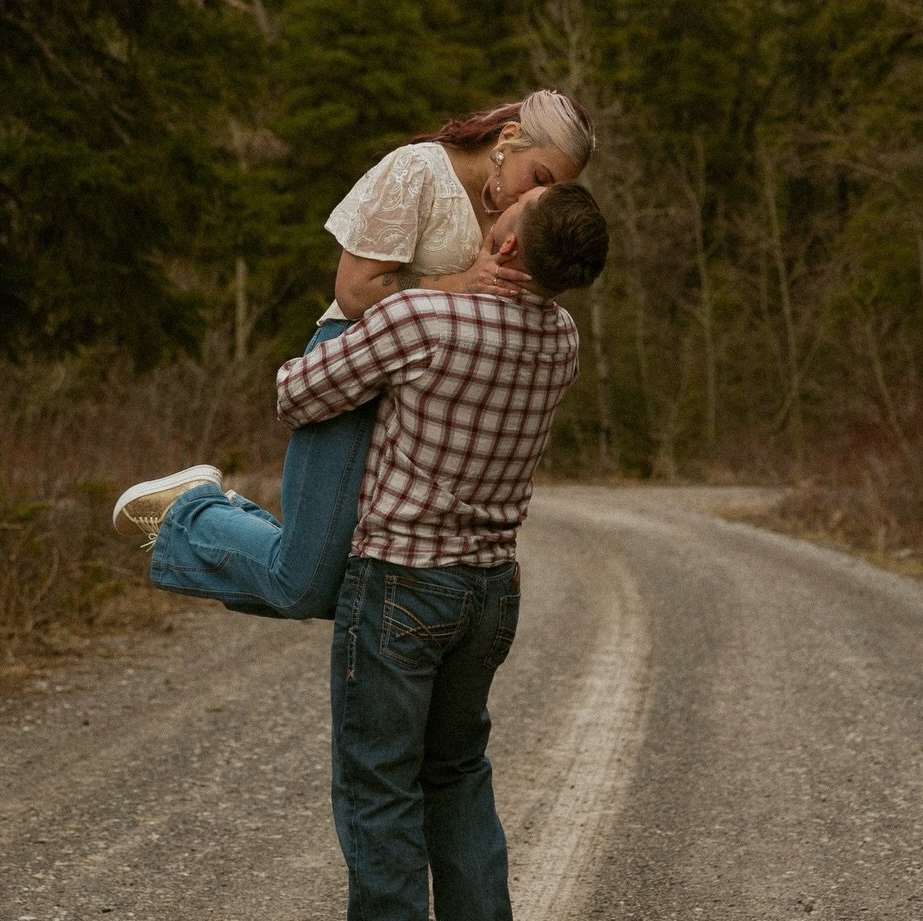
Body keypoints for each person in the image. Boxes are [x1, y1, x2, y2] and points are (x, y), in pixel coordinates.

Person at [111, 89, 594, 621]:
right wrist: (461, 282)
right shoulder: (418, 172)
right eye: (541, 179)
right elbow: (356, 291)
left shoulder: (514, 215)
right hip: (349, 370)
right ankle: (193, 511)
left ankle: (225, 516)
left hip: (418, 403)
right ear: (508, 140)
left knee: (372, 586)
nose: (538, 199)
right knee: (304, 588)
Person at [276, 179, 609, 921]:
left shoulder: (423, 316)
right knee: (456, 774)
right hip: (489, 592)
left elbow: (296, 394)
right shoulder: (563, 338)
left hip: (400, 582)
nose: (500, 207)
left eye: (512, 211)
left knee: (380, 790)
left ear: (509, 244)